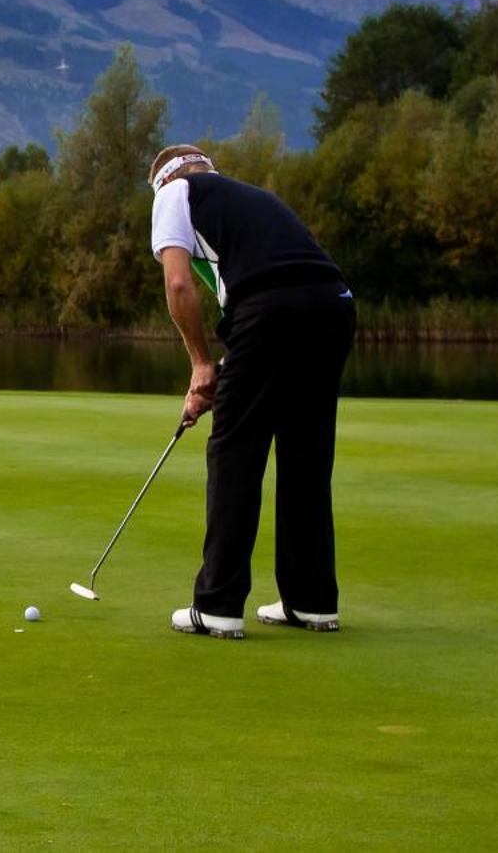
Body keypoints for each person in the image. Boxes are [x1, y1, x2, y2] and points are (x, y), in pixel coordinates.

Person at [147, 144, 356, 639]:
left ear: (162, 179)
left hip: (274, 310)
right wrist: (219, 367)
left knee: (234, 449)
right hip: (334, 307)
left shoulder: (173, 191)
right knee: (306, 452)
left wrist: (200, 365)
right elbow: (254, 311)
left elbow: (178, 286)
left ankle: (218, 603)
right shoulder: (251, 201)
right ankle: (312, 601)